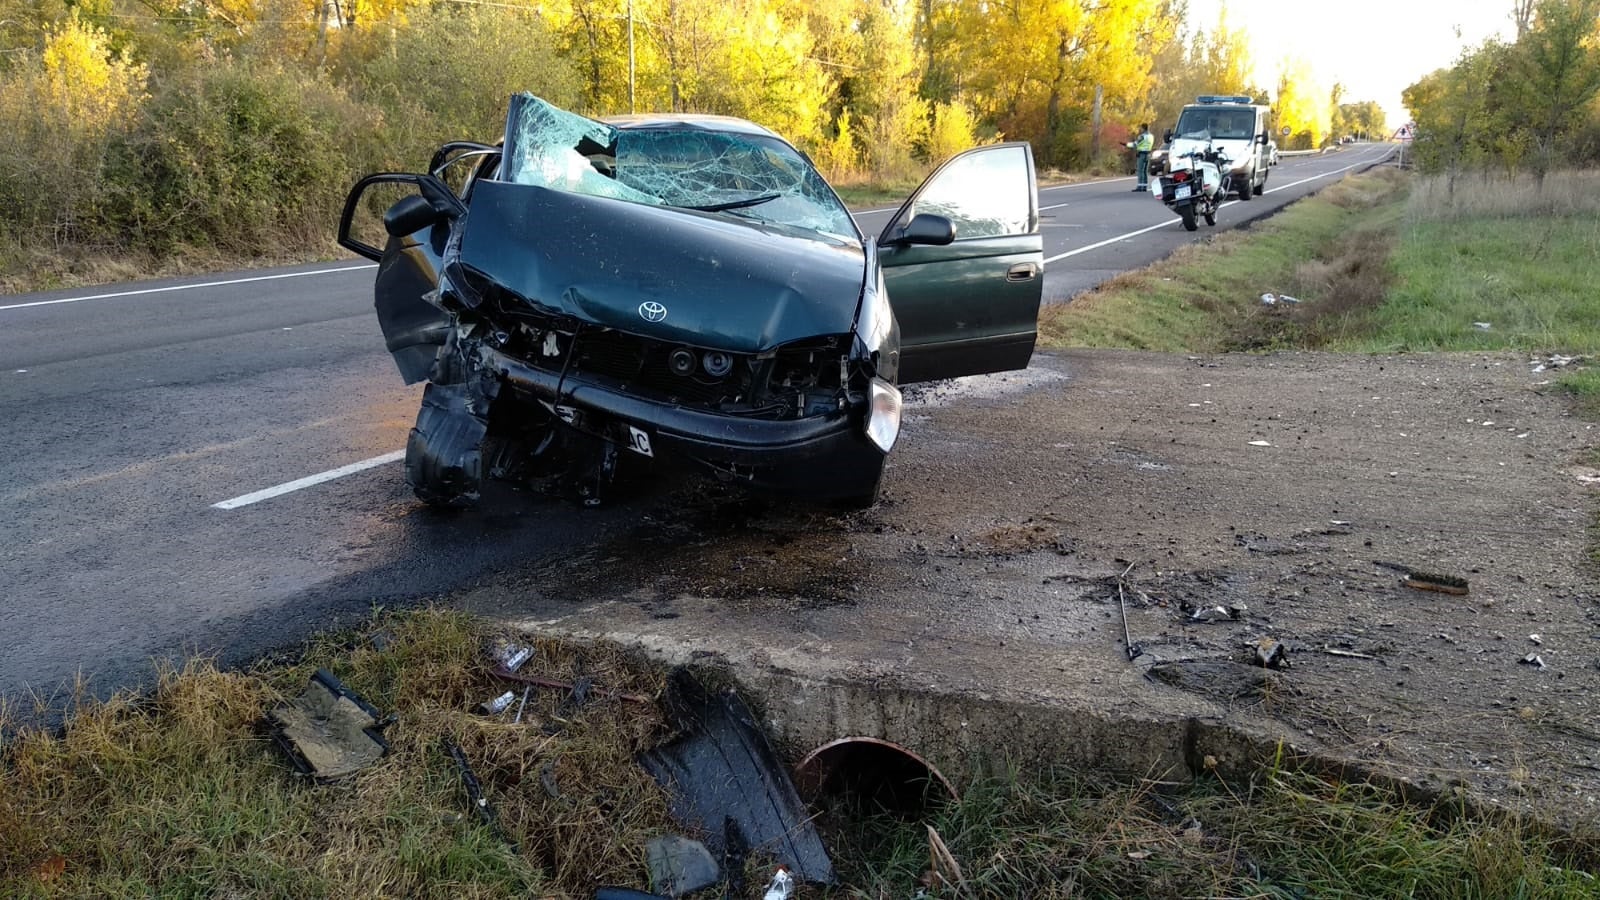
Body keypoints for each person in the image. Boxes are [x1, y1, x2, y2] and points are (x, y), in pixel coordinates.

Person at [1127, 124, 1154, 191]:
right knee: (1145, 171)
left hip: (1142, 154)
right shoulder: (1151, 136)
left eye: (1140, 128)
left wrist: (1126, 144)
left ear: (1143, 128)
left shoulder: (1142, 136)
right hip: (1148, 154)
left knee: (1140, 171)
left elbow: (1135, 144)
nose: (1140, 129)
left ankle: (1140, 187)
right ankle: (1144, 187)